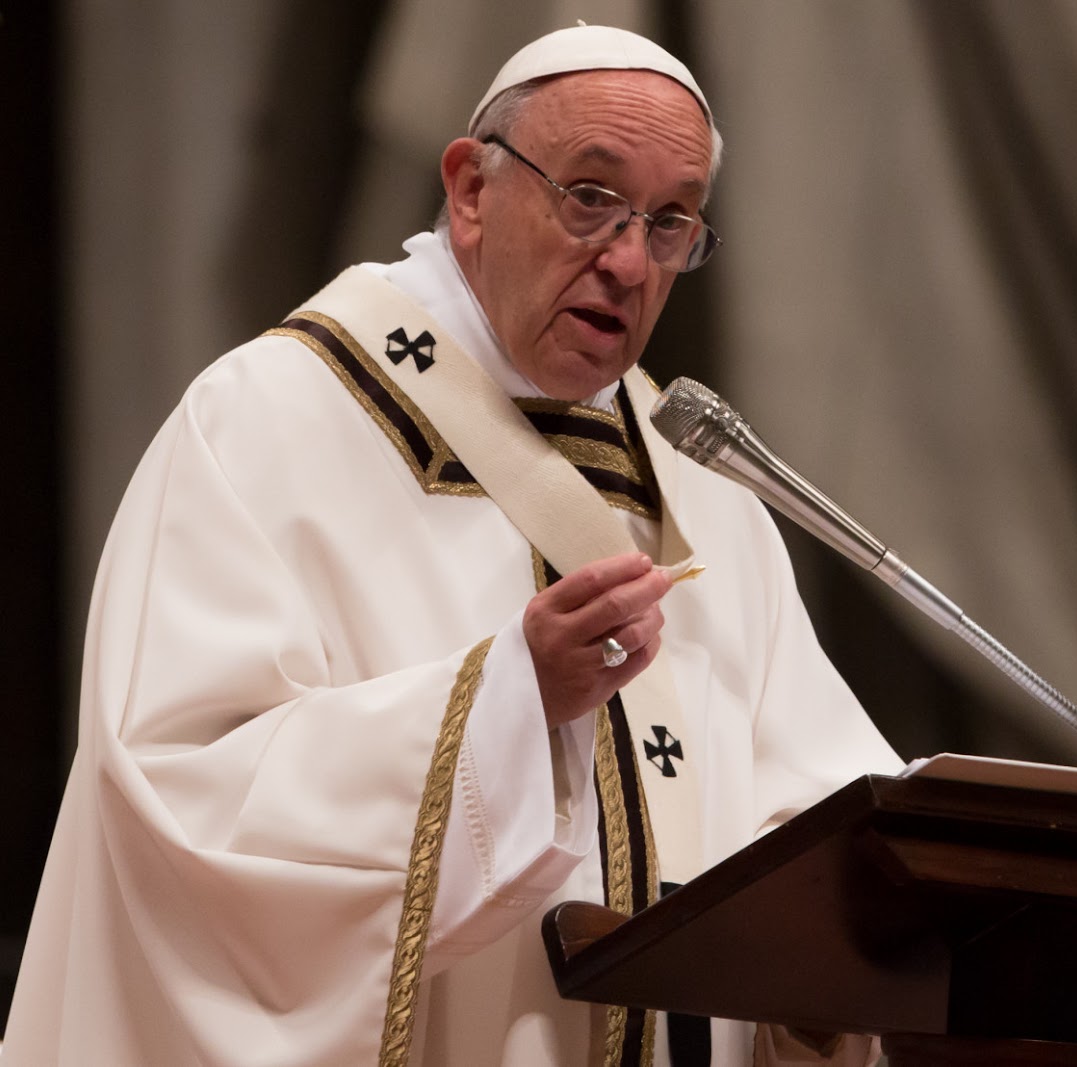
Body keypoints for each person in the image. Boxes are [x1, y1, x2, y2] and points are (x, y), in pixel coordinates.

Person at [4, 25, 901, 1066]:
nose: (625, 260)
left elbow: (813, 818)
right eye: (590, 198)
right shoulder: (270, 418)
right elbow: (173, 792)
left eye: (669, 223)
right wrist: (507, 706)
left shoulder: (703, 483)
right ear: (471, 188)